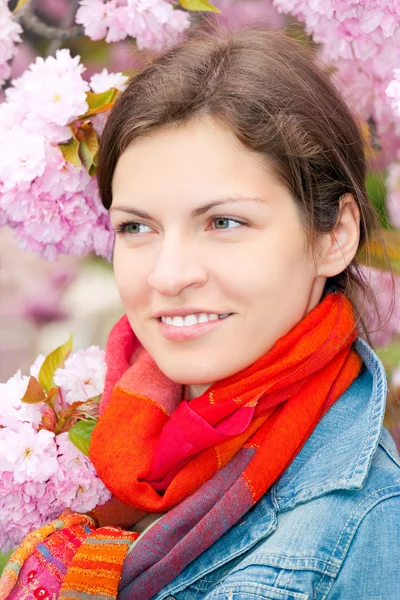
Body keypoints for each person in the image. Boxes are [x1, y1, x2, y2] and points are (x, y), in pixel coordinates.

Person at [1, 26, 400, 600]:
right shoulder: (96, 452)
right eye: (137, 227)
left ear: (334, 235)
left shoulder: (370, 530)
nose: (168, 275)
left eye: (224, 223)